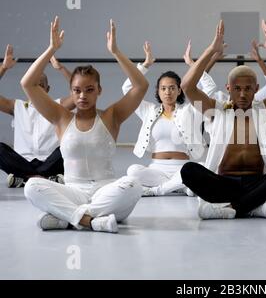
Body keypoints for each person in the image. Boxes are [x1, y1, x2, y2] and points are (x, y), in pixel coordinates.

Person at [21, 16, 148, 233]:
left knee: (133, 184)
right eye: (77, 90)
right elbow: (28, 83)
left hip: (106, 191)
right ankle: (90, 221)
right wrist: (51, 49)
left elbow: (141, 85)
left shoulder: (112, 116)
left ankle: (68, 217)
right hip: (73, 191)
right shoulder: (61, 117)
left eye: (89, 90)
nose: (83, 96)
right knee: (32, 186)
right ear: (71, 92)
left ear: (99, 91)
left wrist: (116, 52)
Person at [180, 20, 266, 220]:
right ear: (228, 89)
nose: (242, 94)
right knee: (188, 170)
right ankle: (253, 206)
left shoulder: (265, 108)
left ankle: (234, 208)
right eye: (237, 89)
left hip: (259, 182)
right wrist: (212, 49)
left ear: (256, 89)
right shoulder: (217, 110)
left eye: (248, 89)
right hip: (224, 183)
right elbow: (187, 87)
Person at [123, 41, 218, 196]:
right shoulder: (148, 110)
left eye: (172, 88)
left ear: (179, 90)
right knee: (133, 171)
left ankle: (159, 190)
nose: (168, 92)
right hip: (156, 170)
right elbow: (127, 89)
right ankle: (180, 187)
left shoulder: (190, 110)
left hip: (183, 167)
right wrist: (145, 64)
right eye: (164, 88)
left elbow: (210, 89)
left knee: (203, 166)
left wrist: (192, 64)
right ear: (158, 91)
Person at [0, 44, 75, 187]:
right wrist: (3, 67)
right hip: (22, 162)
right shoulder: (17, 106)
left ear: (47, 89)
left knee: (70, 144)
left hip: (50, 162)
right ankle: (44, 178)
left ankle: (24, 178)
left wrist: (61, 68)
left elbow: (79, 93)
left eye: (40, 85)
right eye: (32, 85)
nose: (35, 89)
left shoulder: (58, 105)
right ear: (27, 88)